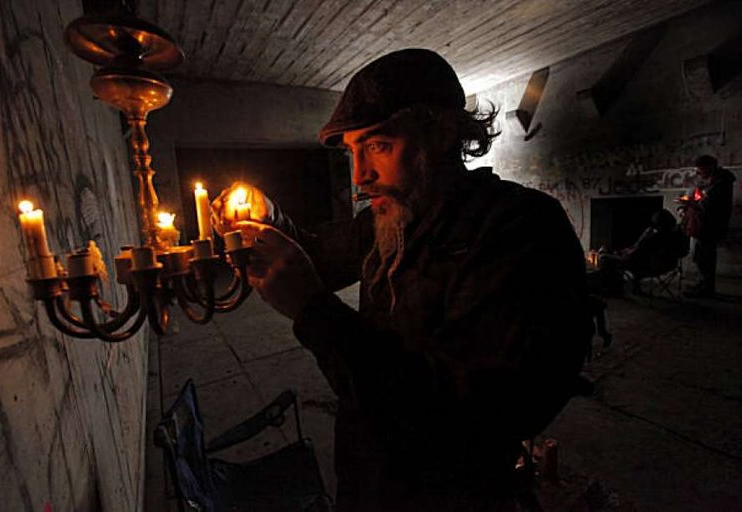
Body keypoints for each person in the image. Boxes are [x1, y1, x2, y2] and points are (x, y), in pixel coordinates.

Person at [213, 49, 592, 511]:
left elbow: (473, 414)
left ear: (443, 133)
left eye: (378, 146)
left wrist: (314, 312)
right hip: (367, 482)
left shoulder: (519, 228)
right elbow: (317, 257)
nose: (360, 177)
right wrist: (265, 216)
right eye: (353, 152)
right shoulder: (387, 221)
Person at [598, 209, 689, 295]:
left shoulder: (655, 237)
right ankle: (635, 288)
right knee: (636, 260)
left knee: (604, 258)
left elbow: (635, 254)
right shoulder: (677, 235)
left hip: (647, 266)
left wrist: (618, 253)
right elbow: (684, 252)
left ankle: (614, 289)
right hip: (668, 265)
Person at [683, 155, 736, 297]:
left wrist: (692, 203)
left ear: (710, 167)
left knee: (705, 256)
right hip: (708, 224)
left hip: (710, 225)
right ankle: (703, 284)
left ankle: (706, 288)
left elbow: (710, 204)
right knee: (703, 256)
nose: (700, 174)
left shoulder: (721, 182)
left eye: (702, 171)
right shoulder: (718, 180)